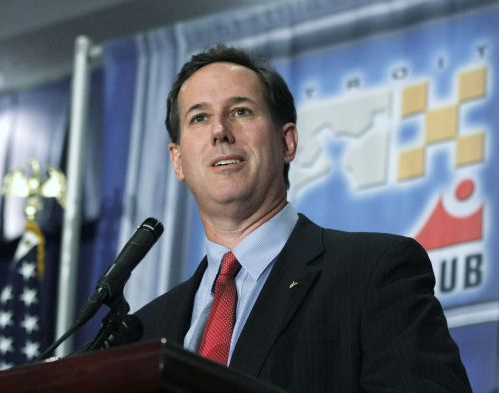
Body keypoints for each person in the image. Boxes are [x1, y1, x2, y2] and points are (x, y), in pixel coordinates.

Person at [135, 44, 471, 392]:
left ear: (287, 143)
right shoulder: (144, 331)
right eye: (199, 117)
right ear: (177, 160)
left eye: (241, 111)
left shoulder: (373, 271)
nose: (220, 130)